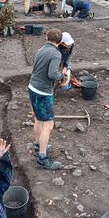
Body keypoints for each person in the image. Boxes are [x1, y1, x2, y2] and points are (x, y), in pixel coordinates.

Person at [28, 28, 64, 170]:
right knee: (48, 125)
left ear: (46, 38)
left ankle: (38, 145)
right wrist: (61, 75)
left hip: (32, 87)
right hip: (43, 92)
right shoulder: (56, 54)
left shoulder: (41, 50)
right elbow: (52, 74)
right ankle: (43, 158)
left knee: (38, 119)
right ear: (60, 41)